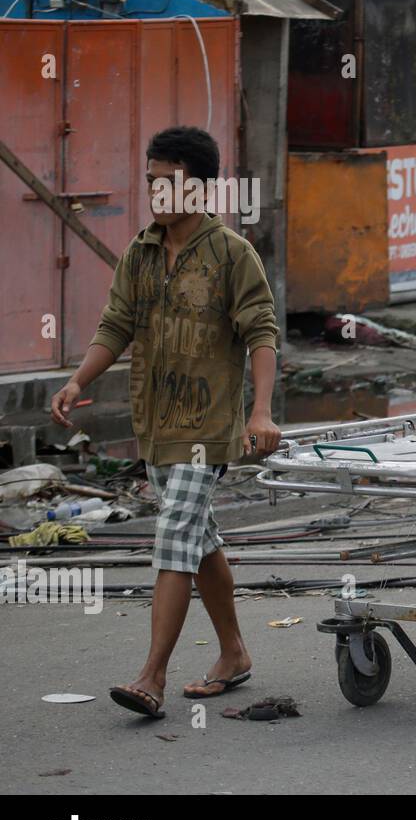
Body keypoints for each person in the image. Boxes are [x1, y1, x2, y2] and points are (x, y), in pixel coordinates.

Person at [50, 126, 281, 718]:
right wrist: (79, 381)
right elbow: (116, 324)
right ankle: (233, 653)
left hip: (208, 427)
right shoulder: (141, 251)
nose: (153, 190)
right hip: (156, 422)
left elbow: (261, 332)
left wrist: (260, 411)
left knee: (174, 535)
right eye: (150, 180)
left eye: (164, 181)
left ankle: (151, 677)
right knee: (199, 539)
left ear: (198, 189)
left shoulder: (232, 254)